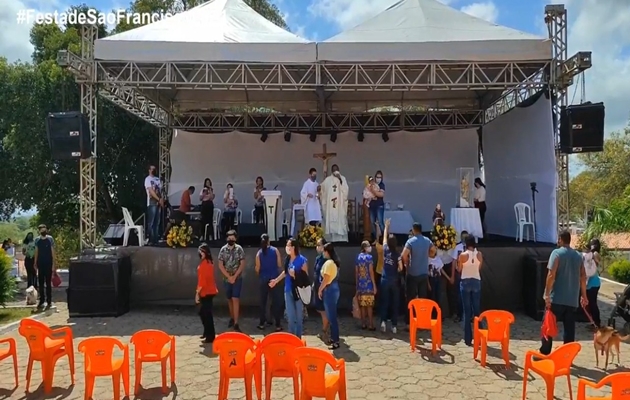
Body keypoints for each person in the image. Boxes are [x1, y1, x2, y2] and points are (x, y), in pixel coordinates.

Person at [540, 230, 588, 355]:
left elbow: (551, 275)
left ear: (560, 239)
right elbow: (583, 277)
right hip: (572, 299)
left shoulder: (556, 253)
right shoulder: (578, 256)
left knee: (548, 324)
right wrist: (584, 296)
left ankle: (545, 352)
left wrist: (546, 294)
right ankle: (567, 354)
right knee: (569, 328)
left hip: (556, 298)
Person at [269, 238, 306, 338]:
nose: (287, 247)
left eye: (289, 245)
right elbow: (285, 272)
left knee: (299, 316)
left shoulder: (302, 260)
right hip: (288, 289)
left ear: (294, 247)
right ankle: (291, 337)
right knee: (290, 316)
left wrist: (295, 275)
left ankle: (298, 337)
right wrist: (275, 281)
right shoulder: (288, 259)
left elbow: (305, 277)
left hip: (298, 291)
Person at [402, 223, 434, 324]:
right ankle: (422, 319)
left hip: (412, 273)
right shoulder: (427, 240)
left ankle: (409, 319)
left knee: (410, 297)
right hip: (424, 273)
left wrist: (407, 263)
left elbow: (404, 255)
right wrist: (428, 255)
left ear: (413, 230)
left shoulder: (410, 241)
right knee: (423, 297)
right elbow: (433, 251)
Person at [217, 230, 245, 332]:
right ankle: (232, 318)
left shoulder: (239, 249)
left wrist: (234, 276)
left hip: (237, 279)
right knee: (229, 299)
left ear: (236, 239)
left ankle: (236, 323)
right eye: (229, 238)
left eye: (232, 238)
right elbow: (220, 265)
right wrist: (229, 277)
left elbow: (242, 264)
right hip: (226, 279)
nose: (231, 239)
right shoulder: (223, 250)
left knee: (235, 299)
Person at [457, 235, 483, 346]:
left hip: (465, 281)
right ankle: (481, 336)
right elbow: (479, 267)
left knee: (467, 311)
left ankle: (468, 339)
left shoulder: (462, 255)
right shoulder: (480, 254)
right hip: (476, 281)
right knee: (477, 311)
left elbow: (459, 269)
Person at [255, 234, 283, 331]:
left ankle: (262, 323)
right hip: (274, 279)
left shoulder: (259, 253)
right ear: (269, 241)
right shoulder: (275, 250)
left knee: (263, 301)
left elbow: (257, 268)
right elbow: (279, 264)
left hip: (263, 278)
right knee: (276, 301)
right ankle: (278, 324)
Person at [379, 219, 402, 333]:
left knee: (385, 301)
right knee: (395, 302)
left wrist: (386, 227)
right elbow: (401, 267)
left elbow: (384, 238)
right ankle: (394, 325)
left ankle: (383, 322)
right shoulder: (397, 254)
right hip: (394, 280)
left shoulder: (385, 250)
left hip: (384, 279)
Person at [318, 242, 341, 349]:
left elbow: (326, 279)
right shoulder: (334, 263)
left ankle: (336, 340)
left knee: (332, 317)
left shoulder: (329, 263)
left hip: (330, 290)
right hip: (334, 289)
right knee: (332, 315)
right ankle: (333, 337)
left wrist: (320, 289)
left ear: (327, 252)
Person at [321, 164, 349, 242]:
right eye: (334, 169)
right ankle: (331, 239)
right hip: (331, 206)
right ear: (332, 171)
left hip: (339, 205)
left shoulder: (343, 178)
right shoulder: (328, 180)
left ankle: (341, 239)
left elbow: (346, 191)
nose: (335, 171)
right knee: (330, 220)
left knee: (341, 219)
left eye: (337, 169)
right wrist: (319, 189)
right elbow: (322, 188)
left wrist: (340, 180)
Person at [196, 243, 218, 344]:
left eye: (202, 251)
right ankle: (207, 332)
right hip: (208, 291)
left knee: (207, 314)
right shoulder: (208, 262)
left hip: (207, 292)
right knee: (203, 313)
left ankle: (210, 336)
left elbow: (202, 281)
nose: (200, 253)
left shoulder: (205, 264)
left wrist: (197, 293)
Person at [444, 231, 468, 322]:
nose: (464, 238)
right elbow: (454, 262)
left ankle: (469, 316)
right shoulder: (458, 247)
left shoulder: (471, 248)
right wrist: (452, 276)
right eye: (463, 237)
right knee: (459, 296)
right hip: (459, 273)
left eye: (466, 237)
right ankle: (459, 314)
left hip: (468, 274)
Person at [355, 240, 377, 330]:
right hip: (368, 284)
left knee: (362, 305)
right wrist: (374, 285)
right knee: (369, 305)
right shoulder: (369, 257)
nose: (370, 247)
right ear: (364, 248)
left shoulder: (358, 257)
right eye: (368, 246)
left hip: (361, 284)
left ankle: (363, 323)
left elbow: (356, 272)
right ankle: (371, 324)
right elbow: (371, 272)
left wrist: (357, 284)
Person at [34, 225, 56, 310]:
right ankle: (42, 300)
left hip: (48, 263)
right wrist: (35, 262)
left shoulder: (50, 239)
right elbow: (36, 251)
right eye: (42, 229)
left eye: (45, 229)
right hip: (40, 264)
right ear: (39, 231)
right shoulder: (37, 240)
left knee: (48, 283)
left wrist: (54, 264)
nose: (43, 230)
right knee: (41, 283)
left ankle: (49, 300)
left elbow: (53, 252)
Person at [313, 238, 330, 342]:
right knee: (320, 309)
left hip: (324, 288)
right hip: (317, 286)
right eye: (317, 245)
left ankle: (325, 330)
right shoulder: (318, 258)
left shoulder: (327, 260)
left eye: (319, 245)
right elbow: (316, 271)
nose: (318, 247)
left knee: (324, 310)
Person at [584, 239, 602, 328]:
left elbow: (597, 261)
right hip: (590, 282)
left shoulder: (595, 254)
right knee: (590, 304)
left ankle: (597, 322)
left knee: (593, 303)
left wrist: (591, 252)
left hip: (594, 282)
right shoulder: (591, 254)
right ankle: (593, 322)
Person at [144, 165, 163, 245]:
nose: (153, 170)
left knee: (157, 221)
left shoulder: (157, 179)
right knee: (151, 222)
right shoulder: (147, 179)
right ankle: (151, 239)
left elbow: (160, 190)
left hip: (158, 202)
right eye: (152, 169)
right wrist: (158, 199)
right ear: (149, 170)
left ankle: (156, 239)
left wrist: (161, 200)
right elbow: (151, 191)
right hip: (152, 202)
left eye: (154, 169)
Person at [428, 248, 445, 319]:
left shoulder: (438, 259)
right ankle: (432, 315)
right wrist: (428, 284)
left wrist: (449, 277)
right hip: (431, 279)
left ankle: (439, 315)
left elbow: (441, 269)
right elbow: (426, 273)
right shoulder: (427, 260)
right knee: (432, 297)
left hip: (438, 279)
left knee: (439, 297)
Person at [368, 170, 386, 239]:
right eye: (377, 177)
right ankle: (376, 238)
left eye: (380, 177)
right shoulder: (372, 184)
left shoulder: (382, 185)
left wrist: (373, 191)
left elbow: (381, 194)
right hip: (372, 206)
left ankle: (384, 238)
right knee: (372, 223)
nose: (378, 178)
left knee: (380, 222)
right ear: (375, 177)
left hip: (379, 206)